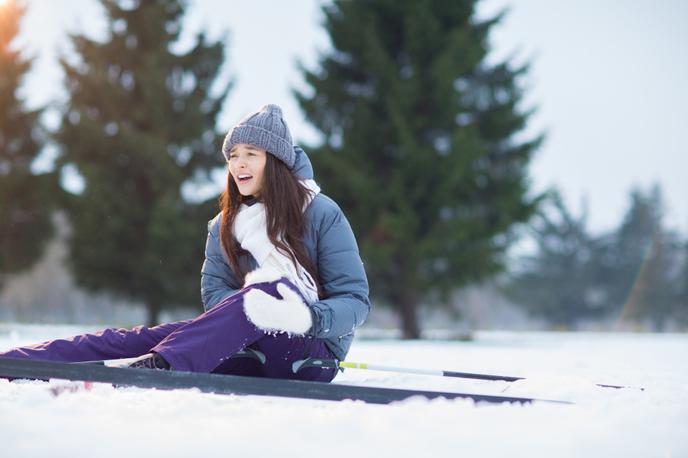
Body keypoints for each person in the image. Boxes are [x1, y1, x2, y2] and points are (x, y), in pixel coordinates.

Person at [0, 104, 370, 383]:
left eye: (250, 155)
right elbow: (214, 295)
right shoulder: (225, 225)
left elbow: (355, 300)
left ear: (274, 162)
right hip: (243, 343)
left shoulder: (321, 213)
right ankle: (13, 361)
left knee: (269, 291)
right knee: (134, 339)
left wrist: (301, 316)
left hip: (310, 355)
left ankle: (162, 367)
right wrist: (251, 314)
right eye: (233, 156)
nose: (238, 165)